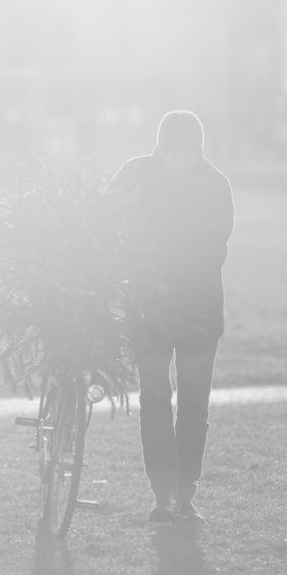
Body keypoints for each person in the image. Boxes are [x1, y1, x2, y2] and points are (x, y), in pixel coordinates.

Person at [106, 110, 235, 524]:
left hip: (199, 312)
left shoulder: (215, 185)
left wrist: (163, 268)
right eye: (172, 156)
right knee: (156, 401)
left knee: (195, 406)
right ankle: (163, 495)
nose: (180, 164)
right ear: (158, 149)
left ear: (200, 152)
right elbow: (108, 226)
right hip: (147, 311)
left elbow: (214, 246)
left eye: (189, 156)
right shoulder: (134, 175)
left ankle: (185, 493)